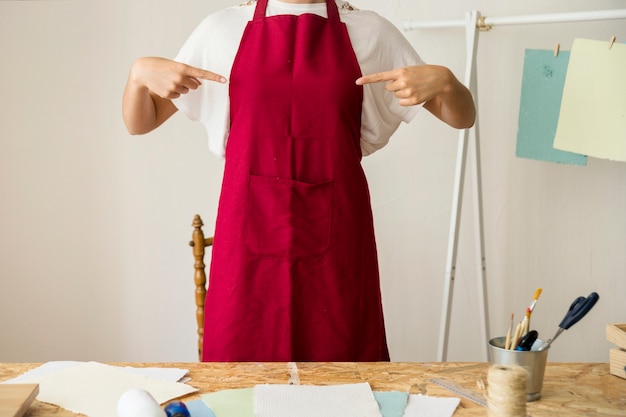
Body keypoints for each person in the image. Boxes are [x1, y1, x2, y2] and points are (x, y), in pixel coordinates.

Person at [123, 0, 475, 362]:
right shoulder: (221, 30)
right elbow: (141, 122)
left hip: (337, 243)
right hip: (246, 241)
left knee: (344, 378)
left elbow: (462, 118)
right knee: (240, 383)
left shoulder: (370, 32)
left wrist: (447, 84)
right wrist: (137, 76)